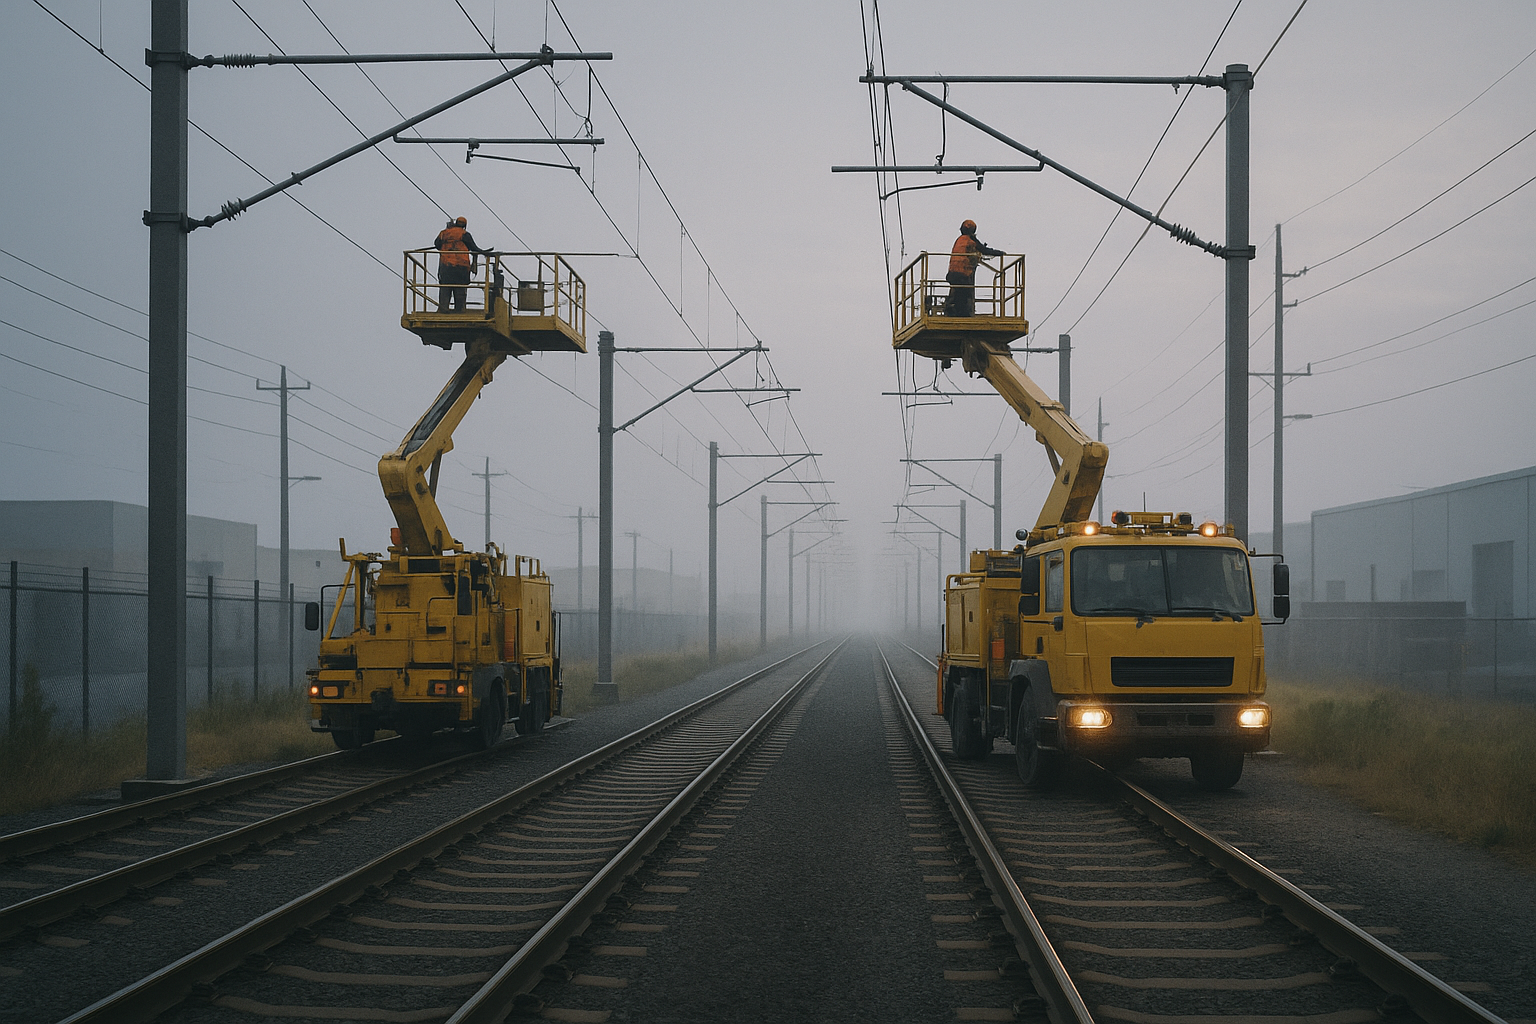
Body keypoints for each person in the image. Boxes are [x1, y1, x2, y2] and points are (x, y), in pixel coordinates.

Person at [944, 219, 1005, 317]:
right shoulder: (971, 240)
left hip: (952, 274)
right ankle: (962, 314)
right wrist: (999, 253)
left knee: (956, 294)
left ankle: (951, 311)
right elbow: (984, 250)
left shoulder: (959, 240)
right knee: (965, 296)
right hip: (963, 275)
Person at [433, 216, 491, 312]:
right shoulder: (464, 234)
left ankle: (443, 309)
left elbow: (437, 245)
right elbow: (474, 248)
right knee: (460, 290)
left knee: (445, 288)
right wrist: (485, 253)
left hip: (446, 266)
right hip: (461, 267)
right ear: (464, 225)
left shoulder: (443, 233)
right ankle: (459, 310)